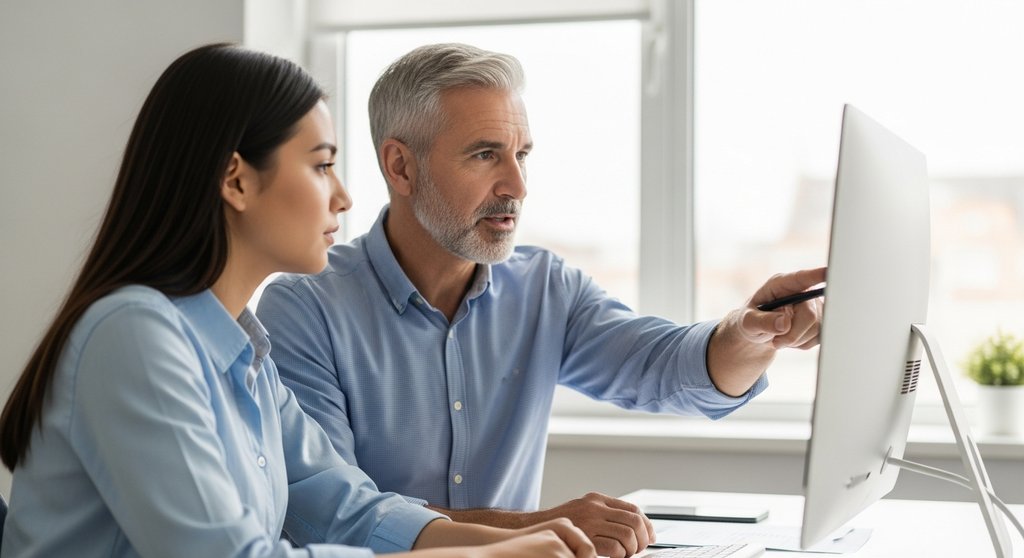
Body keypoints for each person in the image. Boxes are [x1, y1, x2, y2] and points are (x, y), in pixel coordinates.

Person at [0, 43, 596, 558]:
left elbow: (349, 508)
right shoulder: (133, 335)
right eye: (322, 166)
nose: (343, 197)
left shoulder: (242, 349)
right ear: (236, 180)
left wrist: (522, 541)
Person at [256, 43, 824, 558]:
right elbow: (327, 516)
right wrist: (528, 527)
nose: (517, 186)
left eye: (521, 154)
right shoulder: (305, 307)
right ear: (400, 166)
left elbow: (670, 369)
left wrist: (751, 334)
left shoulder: (545, 287)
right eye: (484, 155)